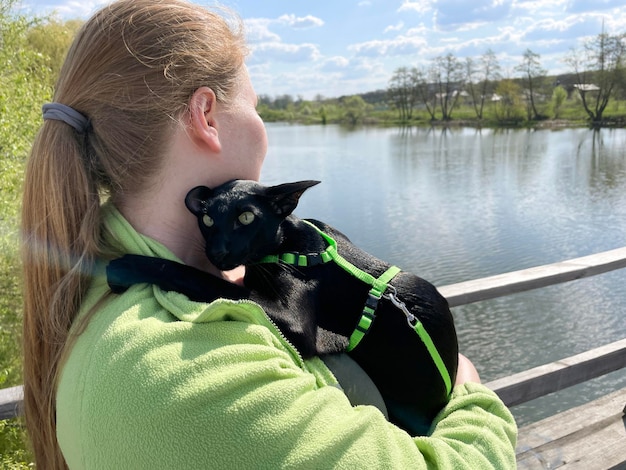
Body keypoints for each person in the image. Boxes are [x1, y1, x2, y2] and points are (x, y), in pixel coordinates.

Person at [21, 0, 517, 468]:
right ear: (207, 116)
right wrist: (471, 397)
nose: (264, 131)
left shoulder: (96, 279)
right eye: (255, 107)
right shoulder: (185, 369)